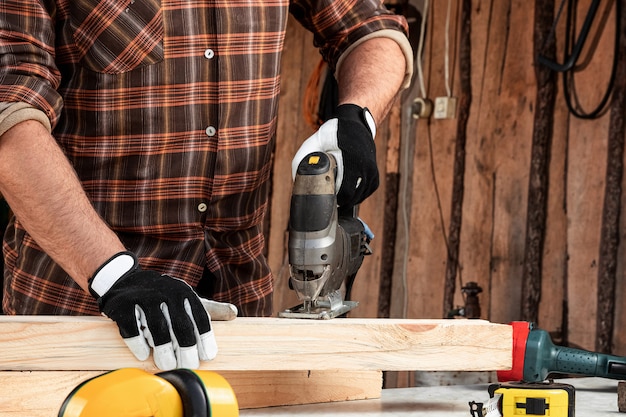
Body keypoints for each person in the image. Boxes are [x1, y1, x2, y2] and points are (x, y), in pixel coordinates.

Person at [0, 0, 413, 370]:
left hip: (239, 309)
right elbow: (9, 112)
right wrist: (113, 274)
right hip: (92, 314)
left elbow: (369, 27)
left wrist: (359, 116)